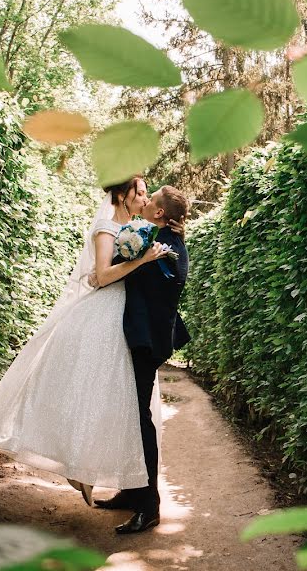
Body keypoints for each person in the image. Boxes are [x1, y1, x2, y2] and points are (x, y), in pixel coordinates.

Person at [0, 176, 178, 505]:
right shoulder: (106, 227)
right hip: (104, 315)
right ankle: (77, 467)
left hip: (127, 318)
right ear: (123, 196)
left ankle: (103, 476)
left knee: (113, 403)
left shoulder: (139, 227)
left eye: (148, 195)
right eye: (141, 193)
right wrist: (140, 261)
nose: (145, 199)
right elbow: (103, 275)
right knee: (87, 393)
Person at [92, 186, 191, 534]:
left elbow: (128, 276)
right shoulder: (161, 238)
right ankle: (134, 493)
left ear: (160, 213)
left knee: (139, 419)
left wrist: (107, 270)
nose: (145, 203)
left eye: (151, 201)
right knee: (130, 413)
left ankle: (149, 506)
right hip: (143, 336)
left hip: (146, 340)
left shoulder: (162, 246)